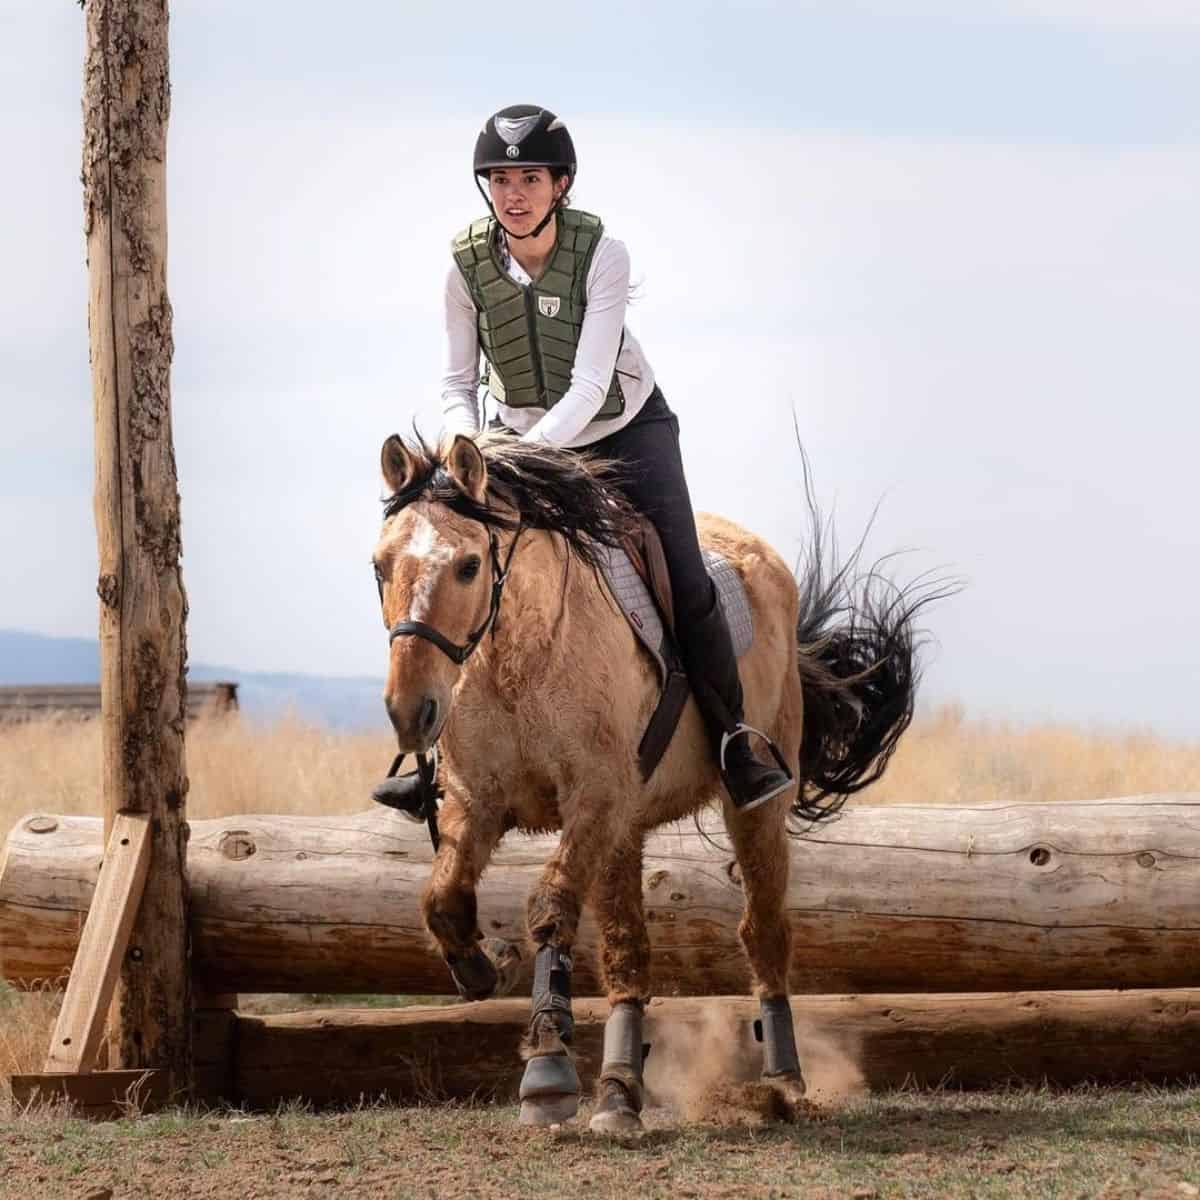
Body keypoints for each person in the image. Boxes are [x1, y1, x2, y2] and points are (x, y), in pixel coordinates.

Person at [439, 103, 792, 812]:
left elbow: (590, 385)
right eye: (500, 179)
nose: (514, 193)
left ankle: (734, 742)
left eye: (530, 178)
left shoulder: (603, 254)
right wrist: (467, 452)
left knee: (685, 576)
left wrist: (516, 459)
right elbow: (456, 383)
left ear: (561, 184)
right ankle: (430, 759)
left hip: (625, 430)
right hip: (512, 442)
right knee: (444, 564)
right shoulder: (464, 267)